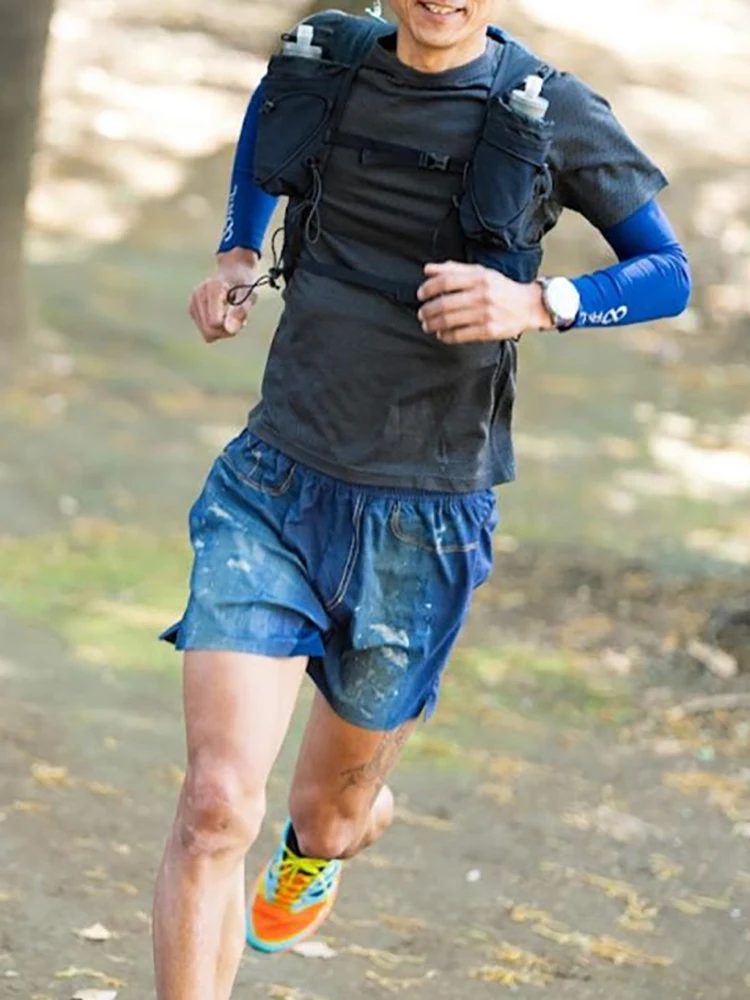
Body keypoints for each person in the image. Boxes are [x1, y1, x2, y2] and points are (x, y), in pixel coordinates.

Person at [152, 0, 691, 995]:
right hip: (274, 482)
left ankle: (338, 831)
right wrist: (239, 248)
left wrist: (541, 302)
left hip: (424, 518)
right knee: (218, 806)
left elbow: (668, 274)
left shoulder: (547, 108)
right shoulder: (326, 56)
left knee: (328, 814)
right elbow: (268, 122)